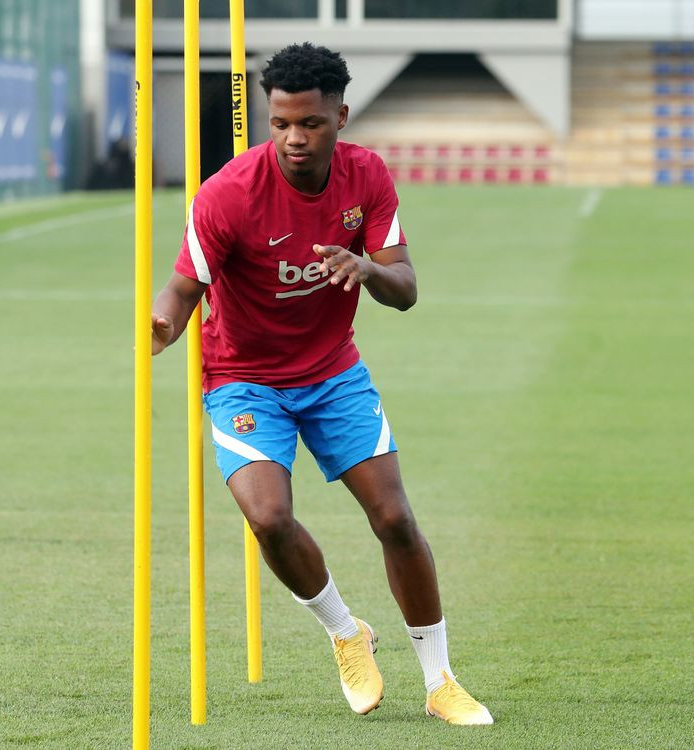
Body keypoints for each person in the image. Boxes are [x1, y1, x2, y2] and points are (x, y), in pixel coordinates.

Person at [149, 42, 493, 726]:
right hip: (243, 379)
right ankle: (345, 632)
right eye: (280, 123)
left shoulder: (366, 178)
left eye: (308, 123)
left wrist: (366, 270)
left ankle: (440, 680)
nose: (293, 138)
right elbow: (184, 288)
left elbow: (406, 290)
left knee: (394, 517)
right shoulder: (227, 194)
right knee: (269, 519)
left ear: (340, 115)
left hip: (334, 372)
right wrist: (162, 324)